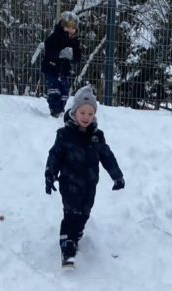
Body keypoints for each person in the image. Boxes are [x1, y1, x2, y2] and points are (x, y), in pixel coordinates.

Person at [45, 84, 125, 268]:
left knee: (84, 213)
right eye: (82, 112)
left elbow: (107, 156)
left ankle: (76, 233)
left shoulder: (97, 136)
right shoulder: (64, 135)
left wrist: (117, 176)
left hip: (89, 184)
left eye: (90, 113)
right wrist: (50, 173)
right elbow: (55, 155)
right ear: (75, 112)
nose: (86, 117)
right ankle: (67, 247)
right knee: (71, 214)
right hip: (69, 183)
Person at [41, 10, 81, 118]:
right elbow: (48, 48)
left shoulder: (74, 41)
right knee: (54, 90)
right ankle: (54, 109)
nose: (70, 30)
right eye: (68, 27)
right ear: (62, 26)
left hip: (64, 71)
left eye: (73, 28)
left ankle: (60, 108)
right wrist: (59, 53)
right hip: (51, 68)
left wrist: (73, 56)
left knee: (64, 91)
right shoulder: (55, 36)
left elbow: (78, 57)